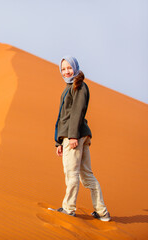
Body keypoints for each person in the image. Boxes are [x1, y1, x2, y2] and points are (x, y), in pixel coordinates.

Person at [53, 56, 111, 221]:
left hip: (75, 135)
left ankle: (68, 208)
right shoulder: (70, 86)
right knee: (86, 174)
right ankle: (102, 212)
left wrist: (71, 137)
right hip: (77, 135)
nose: (66, 71)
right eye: (63, 69)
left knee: (71, 173)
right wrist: (59, 141)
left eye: (69, 68)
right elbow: (64, 116)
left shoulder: (79, 86)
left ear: (76, 67)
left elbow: (76, 114)